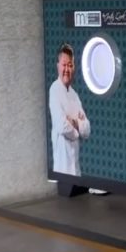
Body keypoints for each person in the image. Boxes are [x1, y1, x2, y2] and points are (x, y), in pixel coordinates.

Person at [49, 43, 92, 176]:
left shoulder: (75, 95)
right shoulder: (54, 90)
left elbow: (87, 130)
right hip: (62, 167)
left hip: (76, 168)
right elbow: (62, 126)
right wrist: (77, 131)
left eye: (70, 65)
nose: (67, 69)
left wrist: (75, 123)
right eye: (64, 64)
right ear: (58, 66)